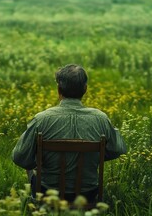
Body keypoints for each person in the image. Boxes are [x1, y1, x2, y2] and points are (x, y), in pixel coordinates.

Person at [12, 64, 127, 203]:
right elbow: (118, 149)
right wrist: (93, 156)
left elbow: (19, 157)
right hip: (87, 194)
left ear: (58, 89)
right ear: (85, 89)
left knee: (32, 168)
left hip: (48, 193)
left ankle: (38, 203)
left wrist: (39, 162)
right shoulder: (101, 118)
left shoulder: (41, 119)